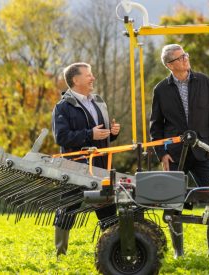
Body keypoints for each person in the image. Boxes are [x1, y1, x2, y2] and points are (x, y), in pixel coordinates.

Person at [149, 44, 209, 258]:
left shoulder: (205, 82)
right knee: (172, 203)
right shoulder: (161, 90)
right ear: (170, 65)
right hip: (174, 154)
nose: (186, 59)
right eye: (181, 57)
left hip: (204, 152)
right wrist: (161, 153)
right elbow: (156, 126)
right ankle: (178, 251)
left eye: (186, 55)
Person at [51, 62, 120, 256]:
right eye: (88, 75)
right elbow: (61, 137)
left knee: (108, 209)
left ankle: (112, 252)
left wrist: (112, 133)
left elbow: (101, 134)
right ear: (75, 80)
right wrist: (90, 134)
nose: (93, 78)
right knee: (67, 209)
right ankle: (60, 253)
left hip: (100, 165)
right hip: (74, 167)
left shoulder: (98, 101)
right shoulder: (63, 106)